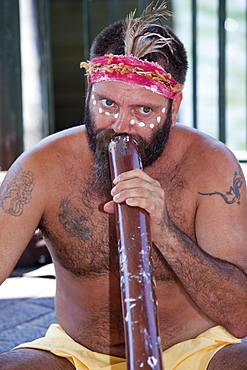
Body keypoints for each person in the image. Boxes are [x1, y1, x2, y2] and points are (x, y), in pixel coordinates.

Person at [0, 2, 247, 369]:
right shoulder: (42, 167)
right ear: (90, 91)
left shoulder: (210, 166)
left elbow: (239, 317)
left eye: (144, 111)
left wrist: (164, 233)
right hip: (76, 355)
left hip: (197, 352)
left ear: (173, 106)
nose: (121, 125)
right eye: (107, 103)